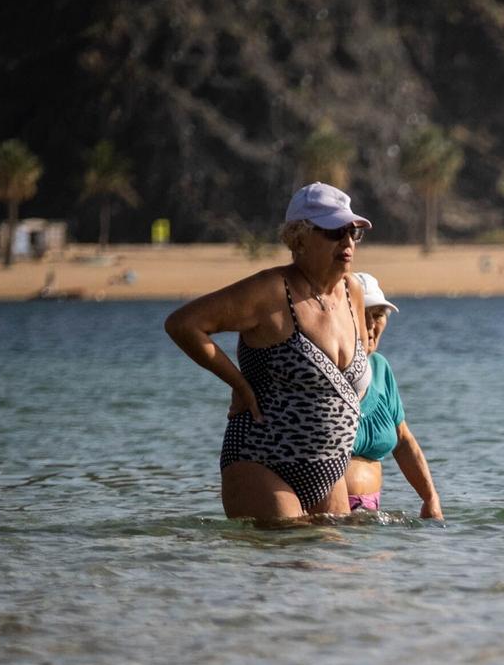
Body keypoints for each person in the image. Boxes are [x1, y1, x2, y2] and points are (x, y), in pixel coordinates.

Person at [163, 182, 372, 520]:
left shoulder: (354, 292)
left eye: (353, 232)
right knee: (288, 557)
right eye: (335, 231)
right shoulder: (271, 291)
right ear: (299, 237)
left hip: (329, 470)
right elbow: (183, 324)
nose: (347, 241)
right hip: (262, 458)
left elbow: (356, 376)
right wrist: (240, 385)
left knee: (336, 568)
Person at [345, 273, 443, 519]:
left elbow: (403, 441)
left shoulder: (380, 368)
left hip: (369, 514)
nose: (370, 325)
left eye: (378, 315)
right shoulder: (321, 370)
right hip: (327, 513)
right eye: (362, 314)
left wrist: (430, 498)